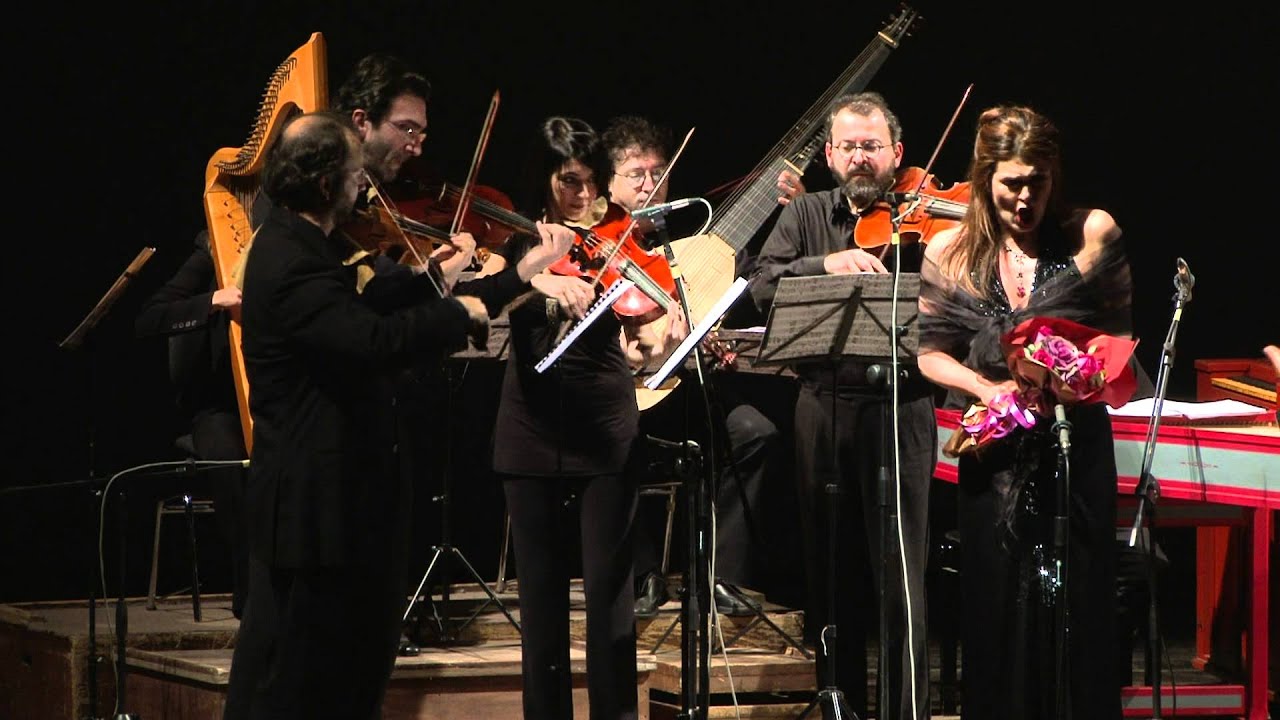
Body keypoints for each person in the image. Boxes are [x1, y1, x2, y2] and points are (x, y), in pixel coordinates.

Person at [220, 110, 501, 719]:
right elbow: (368, 341)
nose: (363, 187)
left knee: (330, 674)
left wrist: (441, 280)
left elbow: (367, 299)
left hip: (330, 503)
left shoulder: (302, 244)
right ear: (326, 185)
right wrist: (460, 313)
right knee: (305, 682)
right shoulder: (291, 260)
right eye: (354, 174)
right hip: (314, 508)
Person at [916, 105, 1132, 719]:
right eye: (1012, 183)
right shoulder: (950, 250)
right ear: (985, 177)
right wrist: (987, 390)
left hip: (1074, 444)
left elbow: (1120, 339)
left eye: (1038, 181)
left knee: (1078, 605)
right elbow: (930, 355)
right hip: (996, 453)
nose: (1025, 197)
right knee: (998, 606)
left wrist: (1078, 373)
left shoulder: (1093, 234)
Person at [477, 115, 685, 719]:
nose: (584, 196)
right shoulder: (518, 243)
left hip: (604, 423)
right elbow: (509, 288)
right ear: (543, 180)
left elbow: (641, 346)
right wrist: (544, 282)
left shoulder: (616, 242)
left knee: (609, 595)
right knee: (540, 601)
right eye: (570, 182)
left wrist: (660, 339)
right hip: (530, 429)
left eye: (592, 182)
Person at [750, 91, 936, 720]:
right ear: (830, 154)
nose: (861, 157)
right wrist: (825, 262)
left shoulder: (923, 219)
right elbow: (762, 286)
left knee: (901, 574)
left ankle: (904, 710)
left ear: (897, 154)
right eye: (849, 146)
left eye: (873, 146)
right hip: (823, 404)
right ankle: (840, 703)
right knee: (829, 568)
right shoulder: (803, 214)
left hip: (902, 405)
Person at [600, 114, 783, 619]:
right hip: (621, 391)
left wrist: (707, 332)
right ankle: (642, 575)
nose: (649, 185)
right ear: (609, 184)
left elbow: (748, 288)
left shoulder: (696, 237)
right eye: (635, 174)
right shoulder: (602, 244)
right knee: (621, 437)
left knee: (754, 431)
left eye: (657, 173)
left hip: (682, 388)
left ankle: (720, 577)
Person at [134, 231, 250, 618]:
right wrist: (214, 300)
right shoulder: (213, 246)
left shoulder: (311, 248)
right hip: (219, 407)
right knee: (230, 459)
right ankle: (251, 588)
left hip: (284, 397)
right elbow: (151, 317)